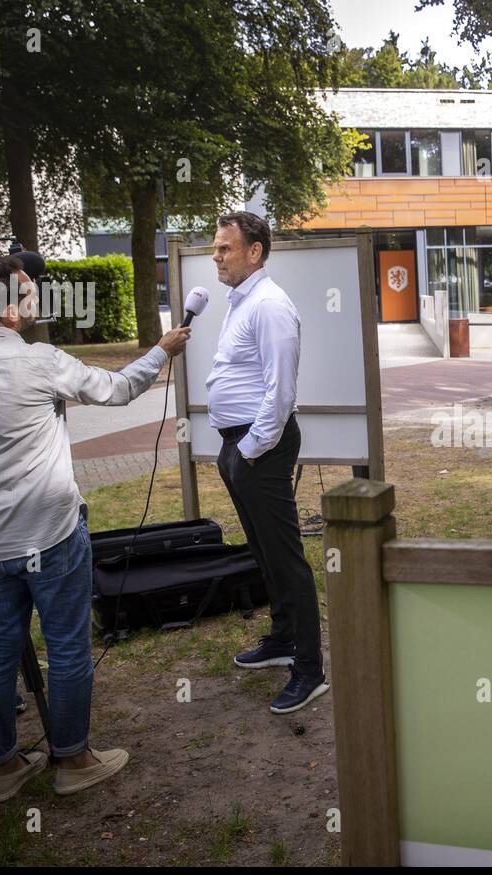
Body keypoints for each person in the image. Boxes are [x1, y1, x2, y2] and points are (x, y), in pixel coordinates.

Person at [0, 253, 191, 802]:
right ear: (8, 309)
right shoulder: (40, 361)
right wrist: (162, 350)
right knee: (66, 647)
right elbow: (119, 389)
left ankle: (4, 765)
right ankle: (73, 759)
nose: (40, 300)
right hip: (52, 534)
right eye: (31, 292)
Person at [207, 211, 328, 715]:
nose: (216, 256)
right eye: (216, 247)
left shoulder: (270, 306)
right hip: (241, 446)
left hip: (261, 447)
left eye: (224, 248)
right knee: (263, 550)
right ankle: (281, 640)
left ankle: (310, 669)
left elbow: (280, 393)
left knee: (285, 556)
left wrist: (249, 452)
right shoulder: (242, 302)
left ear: (254, 251)